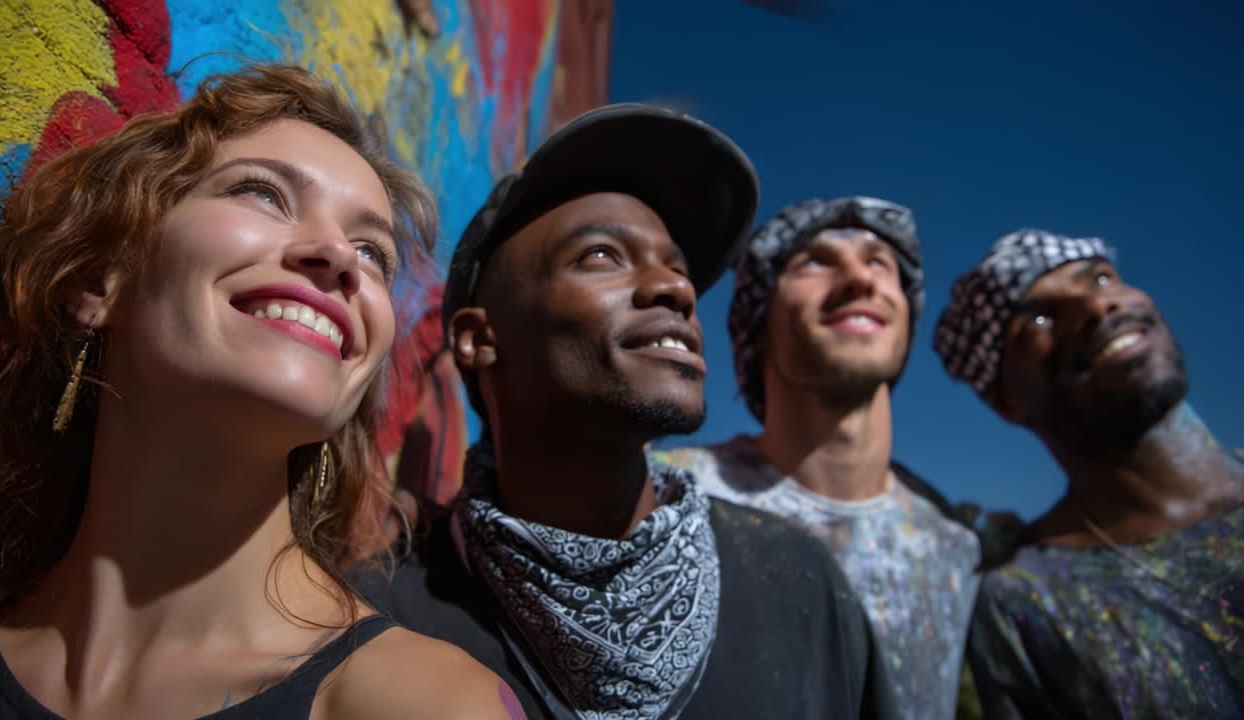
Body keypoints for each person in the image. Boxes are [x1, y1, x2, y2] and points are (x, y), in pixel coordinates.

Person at [0, 65, 520, 719]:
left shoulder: (424, 704)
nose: (340, 257)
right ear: (101, 281)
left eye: (373, 252)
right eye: (262, 193)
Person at [357, 105, 896, 719]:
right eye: (602, 256)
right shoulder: (381, 614)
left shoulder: (797, 581)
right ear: (480, 339)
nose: (676, 290)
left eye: (679, 269)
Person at [657, 197, 981, 718]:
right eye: (815, 261)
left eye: (880, 262)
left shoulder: (956, 550)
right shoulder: (664, 498)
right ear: (759, 324)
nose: (859, 279)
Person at [934, 229, 1244, 718]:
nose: (1097, 308)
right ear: (1006, 400)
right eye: (1039, 316)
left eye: (1101, 278)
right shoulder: (1026, 604)